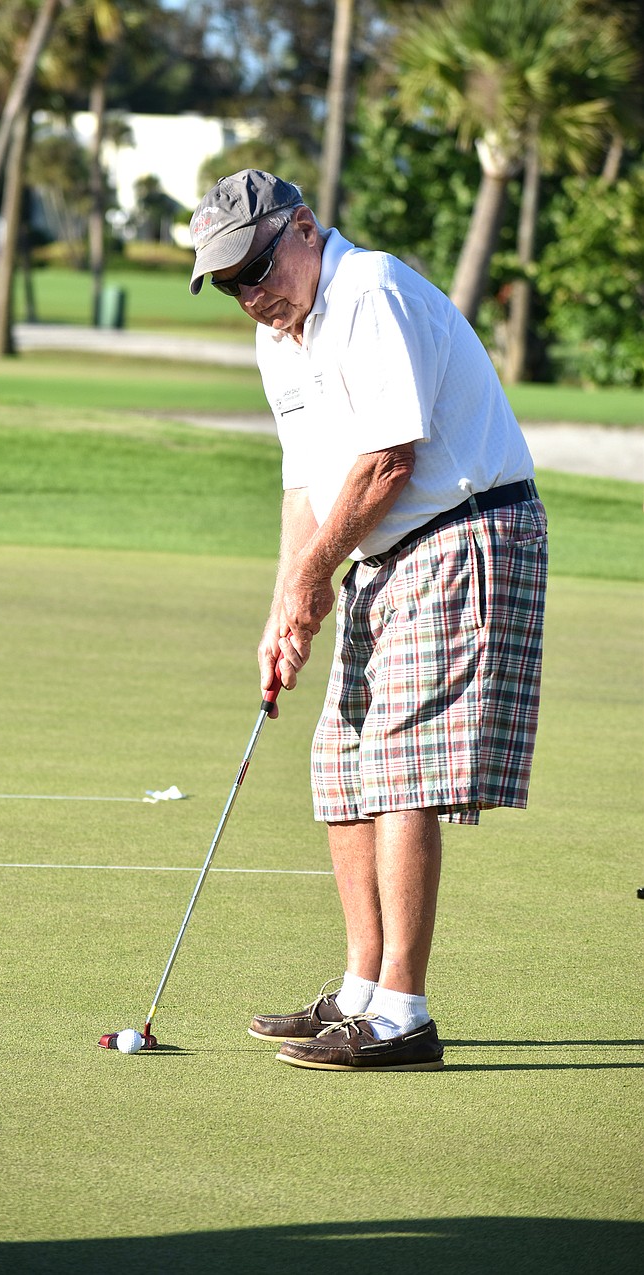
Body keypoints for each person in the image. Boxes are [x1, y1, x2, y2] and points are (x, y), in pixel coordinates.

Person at [188, 169, 548, 1072]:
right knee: (340, 763)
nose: (251, 295)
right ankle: (359, 990)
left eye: (258, 268)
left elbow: (391, 458)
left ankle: (403, 1011)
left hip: (466, 529)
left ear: (305, 228)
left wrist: (315, 578)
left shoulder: (370, 289)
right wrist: (284, 606)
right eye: (230, 285)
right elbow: (306, 487)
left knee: (400, 763)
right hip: (381, 550)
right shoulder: (284, 335)